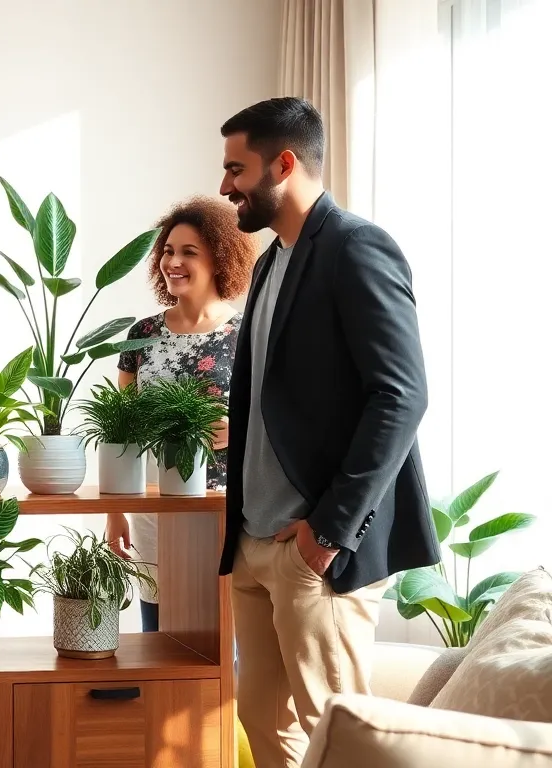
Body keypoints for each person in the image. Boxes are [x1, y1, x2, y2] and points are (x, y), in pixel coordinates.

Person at [215, 98, 439, 767]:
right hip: (257, 541)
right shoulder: (273, 260)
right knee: (261, 716)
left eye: (236, 168)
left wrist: (328, 533)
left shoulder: (355, 247)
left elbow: (403, 395)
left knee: (338, 733)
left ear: (283, 163)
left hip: (315, 552)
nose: (225, 186)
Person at [105, 197, 258, 632]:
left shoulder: (246, 333)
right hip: (156, 508)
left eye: (189, 252)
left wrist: (241, 431)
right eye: (169, 251)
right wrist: (115, 512)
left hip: (226, 510)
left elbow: (277, 422)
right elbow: (123, 428)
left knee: (226, 641)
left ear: (220, 258)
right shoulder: (143, 335)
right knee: (159, 635)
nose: (174, 261)